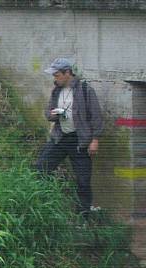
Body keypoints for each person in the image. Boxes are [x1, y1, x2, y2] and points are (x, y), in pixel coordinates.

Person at [35, 58, 104, 216]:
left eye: (57, 74)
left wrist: (95, 139)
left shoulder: (85, 90)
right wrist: (52, 114)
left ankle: (84, 215)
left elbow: (96, 116)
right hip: (60, 138)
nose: (55, 78)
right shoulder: (56, 91)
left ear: (67, 73)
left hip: (80, 141)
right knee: (40, 169)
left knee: (83, 180)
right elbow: (48, 112)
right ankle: (41, 207)